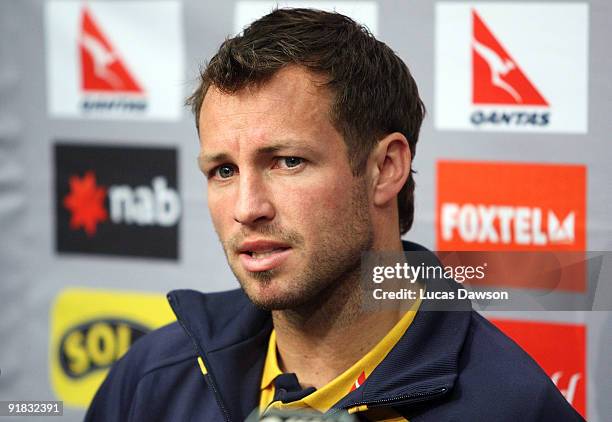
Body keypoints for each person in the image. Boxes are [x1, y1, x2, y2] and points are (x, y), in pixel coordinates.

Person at [85, 8, 583, 422]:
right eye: (223, 171)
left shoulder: (512, 406)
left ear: (385, 168)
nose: (246, 208)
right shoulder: (151, 379)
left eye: (288, 162)